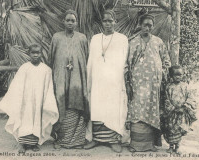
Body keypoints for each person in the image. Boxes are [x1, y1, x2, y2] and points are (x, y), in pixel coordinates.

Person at [0, 44, 59, 153]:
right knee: (24, 120)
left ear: (41, 53)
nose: (35, 55)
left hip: (39, 101)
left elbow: (48, 88)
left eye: (38, 52)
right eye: (33, 53)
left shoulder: (46, 70)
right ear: (29, 53)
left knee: (37, 120)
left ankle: (34, 143)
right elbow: (17, 85)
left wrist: (46, 101)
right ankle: (22, 144)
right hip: (26, 101)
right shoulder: (24, 68)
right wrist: (19, 100)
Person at [125, 14, 171, 152]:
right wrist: (128, 82)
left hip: (153, 86)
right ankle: (135, 144)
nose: (147, 27)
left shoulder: (158, 42)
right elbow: (127, 64)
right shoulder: (132, 42)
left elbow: (166, 61)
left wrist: (161, 74)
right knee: (137, 112)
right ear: (140, 24)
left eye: (150, 25)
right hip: (137, 85)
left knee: (152, 112)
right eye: (145, 24)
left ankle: (149, 144)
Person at [85, 10, 128, 153]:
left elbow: (124, 61)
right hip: (98, 81)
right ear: (101, 22)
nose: (108, 23)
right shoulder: (95, 38)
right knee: (97, 107)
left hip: (114, 82)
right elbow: (91, 61)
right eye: (105, 21)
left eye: (110, 20)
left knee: (113, 108)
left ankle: (114, 140)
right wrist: (90, 80)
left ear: (115, 21)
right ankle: (97, 139)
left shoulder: (122, 39)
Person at [48, 9, 90, 149]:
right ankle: (60, 139)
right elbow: (51, 58)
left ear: (76, 22)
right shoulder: (56, 37)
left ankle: (77, 140)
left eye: (73, 20)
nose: (70, 23)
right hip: (61, 77)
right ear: (63, 22)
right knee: (61, 101)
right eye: (68, 20)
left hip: (78, 77)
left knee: (77, 102)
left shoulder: (82, 38)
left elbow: (87, 57)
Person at [161, 65, 197, 154]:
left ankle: (177, 147)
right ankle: (170, 146)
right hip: (171, 113)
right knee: (170, 129)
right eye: (175, 75)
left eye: (180, 75)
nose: (178, 77)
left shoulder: (185, 86)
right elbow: (166, 99)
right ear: (171, 76)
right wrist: (172, 108)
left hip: (182, 112)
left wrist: (184, 107)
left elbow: (190, 98)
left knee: (179, 129)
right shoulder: (169, 87)